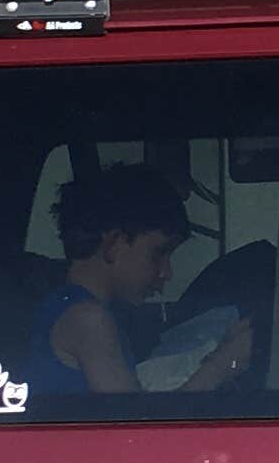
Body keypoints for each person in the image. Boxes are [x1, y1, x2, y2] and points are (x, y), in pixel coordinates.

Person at [22, 163, 253, 405]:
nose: (166, 272)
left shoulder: (73, 308)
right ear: (114, 245)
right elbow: (134, 428)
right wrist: (222, 365)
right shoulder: (88, 320)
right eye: (159, 253)